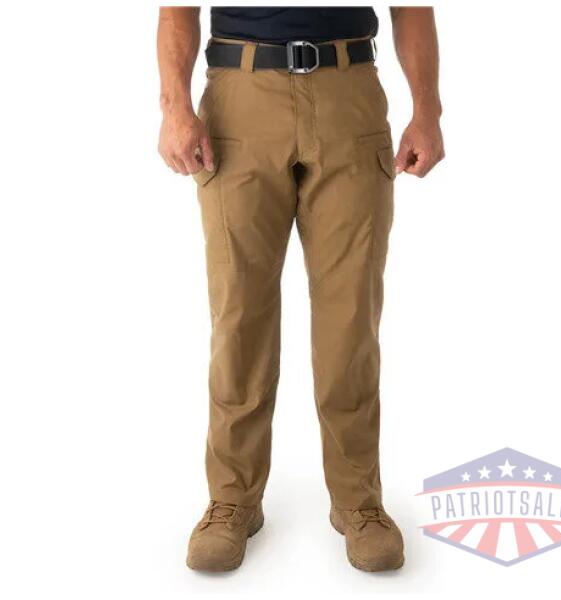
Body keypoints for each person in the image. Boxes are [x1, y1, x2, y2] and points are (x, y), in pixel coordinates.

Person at [157, 6, 444, 572]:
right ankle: (232, 500)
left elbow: (412, 6)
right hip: (240, 95)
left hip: (348, 93)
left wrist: (428, 110)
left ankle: (358, 502)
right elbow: (177, 10)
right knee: (239, 313)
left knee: (351, 316)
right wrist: (175, 108)